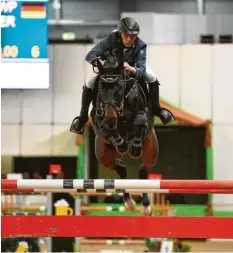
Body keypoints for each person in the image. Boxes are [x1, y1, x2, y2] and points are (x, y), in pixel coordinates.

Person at [70, 17, 175, 134]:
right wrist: (99, 63)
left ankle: (157, 109)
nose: (129, 39)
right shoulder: (111, 39)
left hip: (132, 66)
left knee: (152, 76)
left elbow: (141, 68)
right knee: (89, 81)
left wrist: (131, 69)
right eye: (126, 35)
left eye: (133, 35)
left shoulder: (141, 45)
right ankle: (82, 118)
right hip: (109, 68)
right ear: (120, 33)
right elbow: (91, 55)